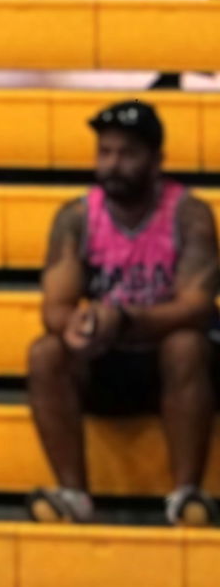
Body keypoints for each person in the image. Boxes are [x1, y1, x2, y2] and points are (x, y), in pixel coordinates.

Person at [27, 99, 220, 527]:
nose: (113, 164)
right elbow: (54, 307)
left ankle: (185, 494)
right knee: (46, 353)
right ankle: (73, 494)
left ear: (157, 162)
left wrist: (127, 319)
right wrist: (77, 325)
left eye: (128, 154)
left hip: (168, 360)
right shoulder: (76, 217)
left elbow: (197, 306)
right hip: (107, 357)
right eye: (106, 153)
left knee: (186, 346)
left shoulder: (189, 215)